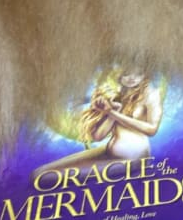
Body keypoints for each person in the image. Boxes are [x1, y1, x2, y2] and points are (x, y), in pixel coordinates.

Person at [36, 68, 164, 174]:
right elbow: (98, 136)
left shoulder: (151, 94)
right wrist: (113, 111)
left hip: (134, 159)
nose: (132, 78)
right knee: (39, 172)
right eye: (127, 73)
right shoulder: (117, 94)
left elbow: (151, 129)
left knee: (43, 177)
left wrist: (111, 112)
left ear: (145, 74)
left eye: (138, 73)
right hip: (108, 152)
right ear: (119, 74)